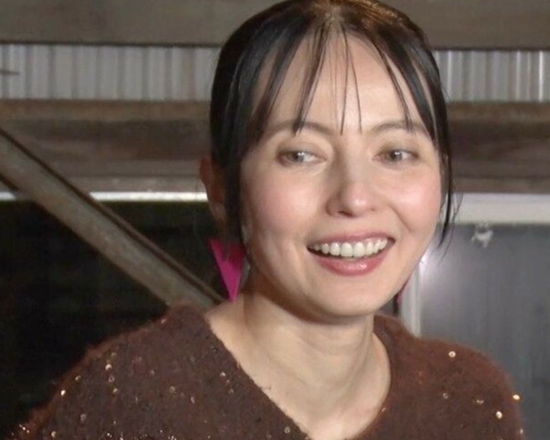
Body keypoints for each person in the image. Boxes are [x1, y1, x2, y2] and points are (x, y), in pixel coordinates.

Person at [9, 1, 526, 439]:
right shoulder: (130, 405)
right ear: (222, 188)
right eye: (300, 154)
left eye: (395, 153)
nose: (355, 197)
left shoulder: (468, 405)